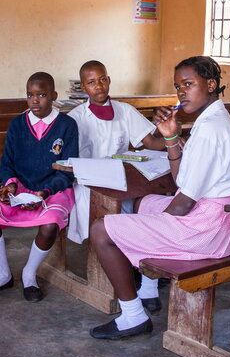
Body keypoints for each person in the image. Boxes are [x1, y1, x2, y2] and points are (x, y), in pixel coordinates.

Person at [87, 56, 230, 340]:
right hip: (222, 219)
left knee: (100, 230)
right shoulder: (213, 119)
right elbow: (181, 180)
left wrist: (153, 225)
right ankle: (148, 289)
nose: (181, 92)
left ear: (210, 85)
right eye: (177, 86)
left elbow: (183, 203)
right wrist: (171, 139)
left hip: (207, 229)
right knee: (143, 202)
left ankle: (132, 316)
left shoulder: (210, 129)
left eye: (188, 84)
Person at [0, 72, 78, 302]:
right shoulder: (18, 124)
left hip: (53, 190)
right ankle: (2, 275)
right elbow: (7, 163)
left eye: (41, 95)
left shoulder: (67, 125)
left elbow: (69, 169)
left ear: (54, 96)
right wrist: (9, 186)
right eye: (30, 95)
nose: (35, 100)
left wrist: (44, 192)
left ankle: (29, 275)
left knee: (49, 226)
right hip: (20, 188)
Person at [66, 60, 165, 244]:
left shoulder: (125, 111)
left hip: (120, 180)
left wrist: (171, 138)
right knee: (97, 229)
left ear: (109, 80)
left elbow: (151, 143)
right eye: (91, 82)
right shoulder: (75, 118)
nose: (98, 86)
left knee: (128, 223)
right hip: (89, 183)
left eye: (102, 79)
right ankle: (102, 249)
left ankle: (126, 252)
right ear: (84, 87)